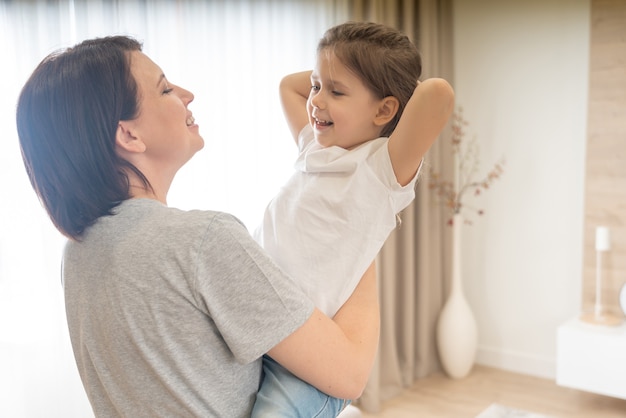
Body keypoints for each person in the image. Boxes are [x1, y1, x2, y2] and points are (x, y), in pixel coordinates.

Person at [15, 35, 381, 418]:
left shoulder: (77, 254)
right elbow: (348, 375)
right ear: (128, 135)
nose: (187, 95)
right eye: (166, 89)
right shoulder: (203, 241)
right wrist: (359, 223)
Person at [252, 21, 455, 417]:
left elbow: (438, 93)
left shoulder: (380, 171)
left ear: (385, 108)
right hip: (262, 320)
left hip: (310, 352)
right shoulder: (314, 145)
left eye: (336, 91)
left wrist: (376, 69)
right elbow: (286, 86)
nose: (315, 101)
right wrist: (331, 63)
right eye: (316, 86)